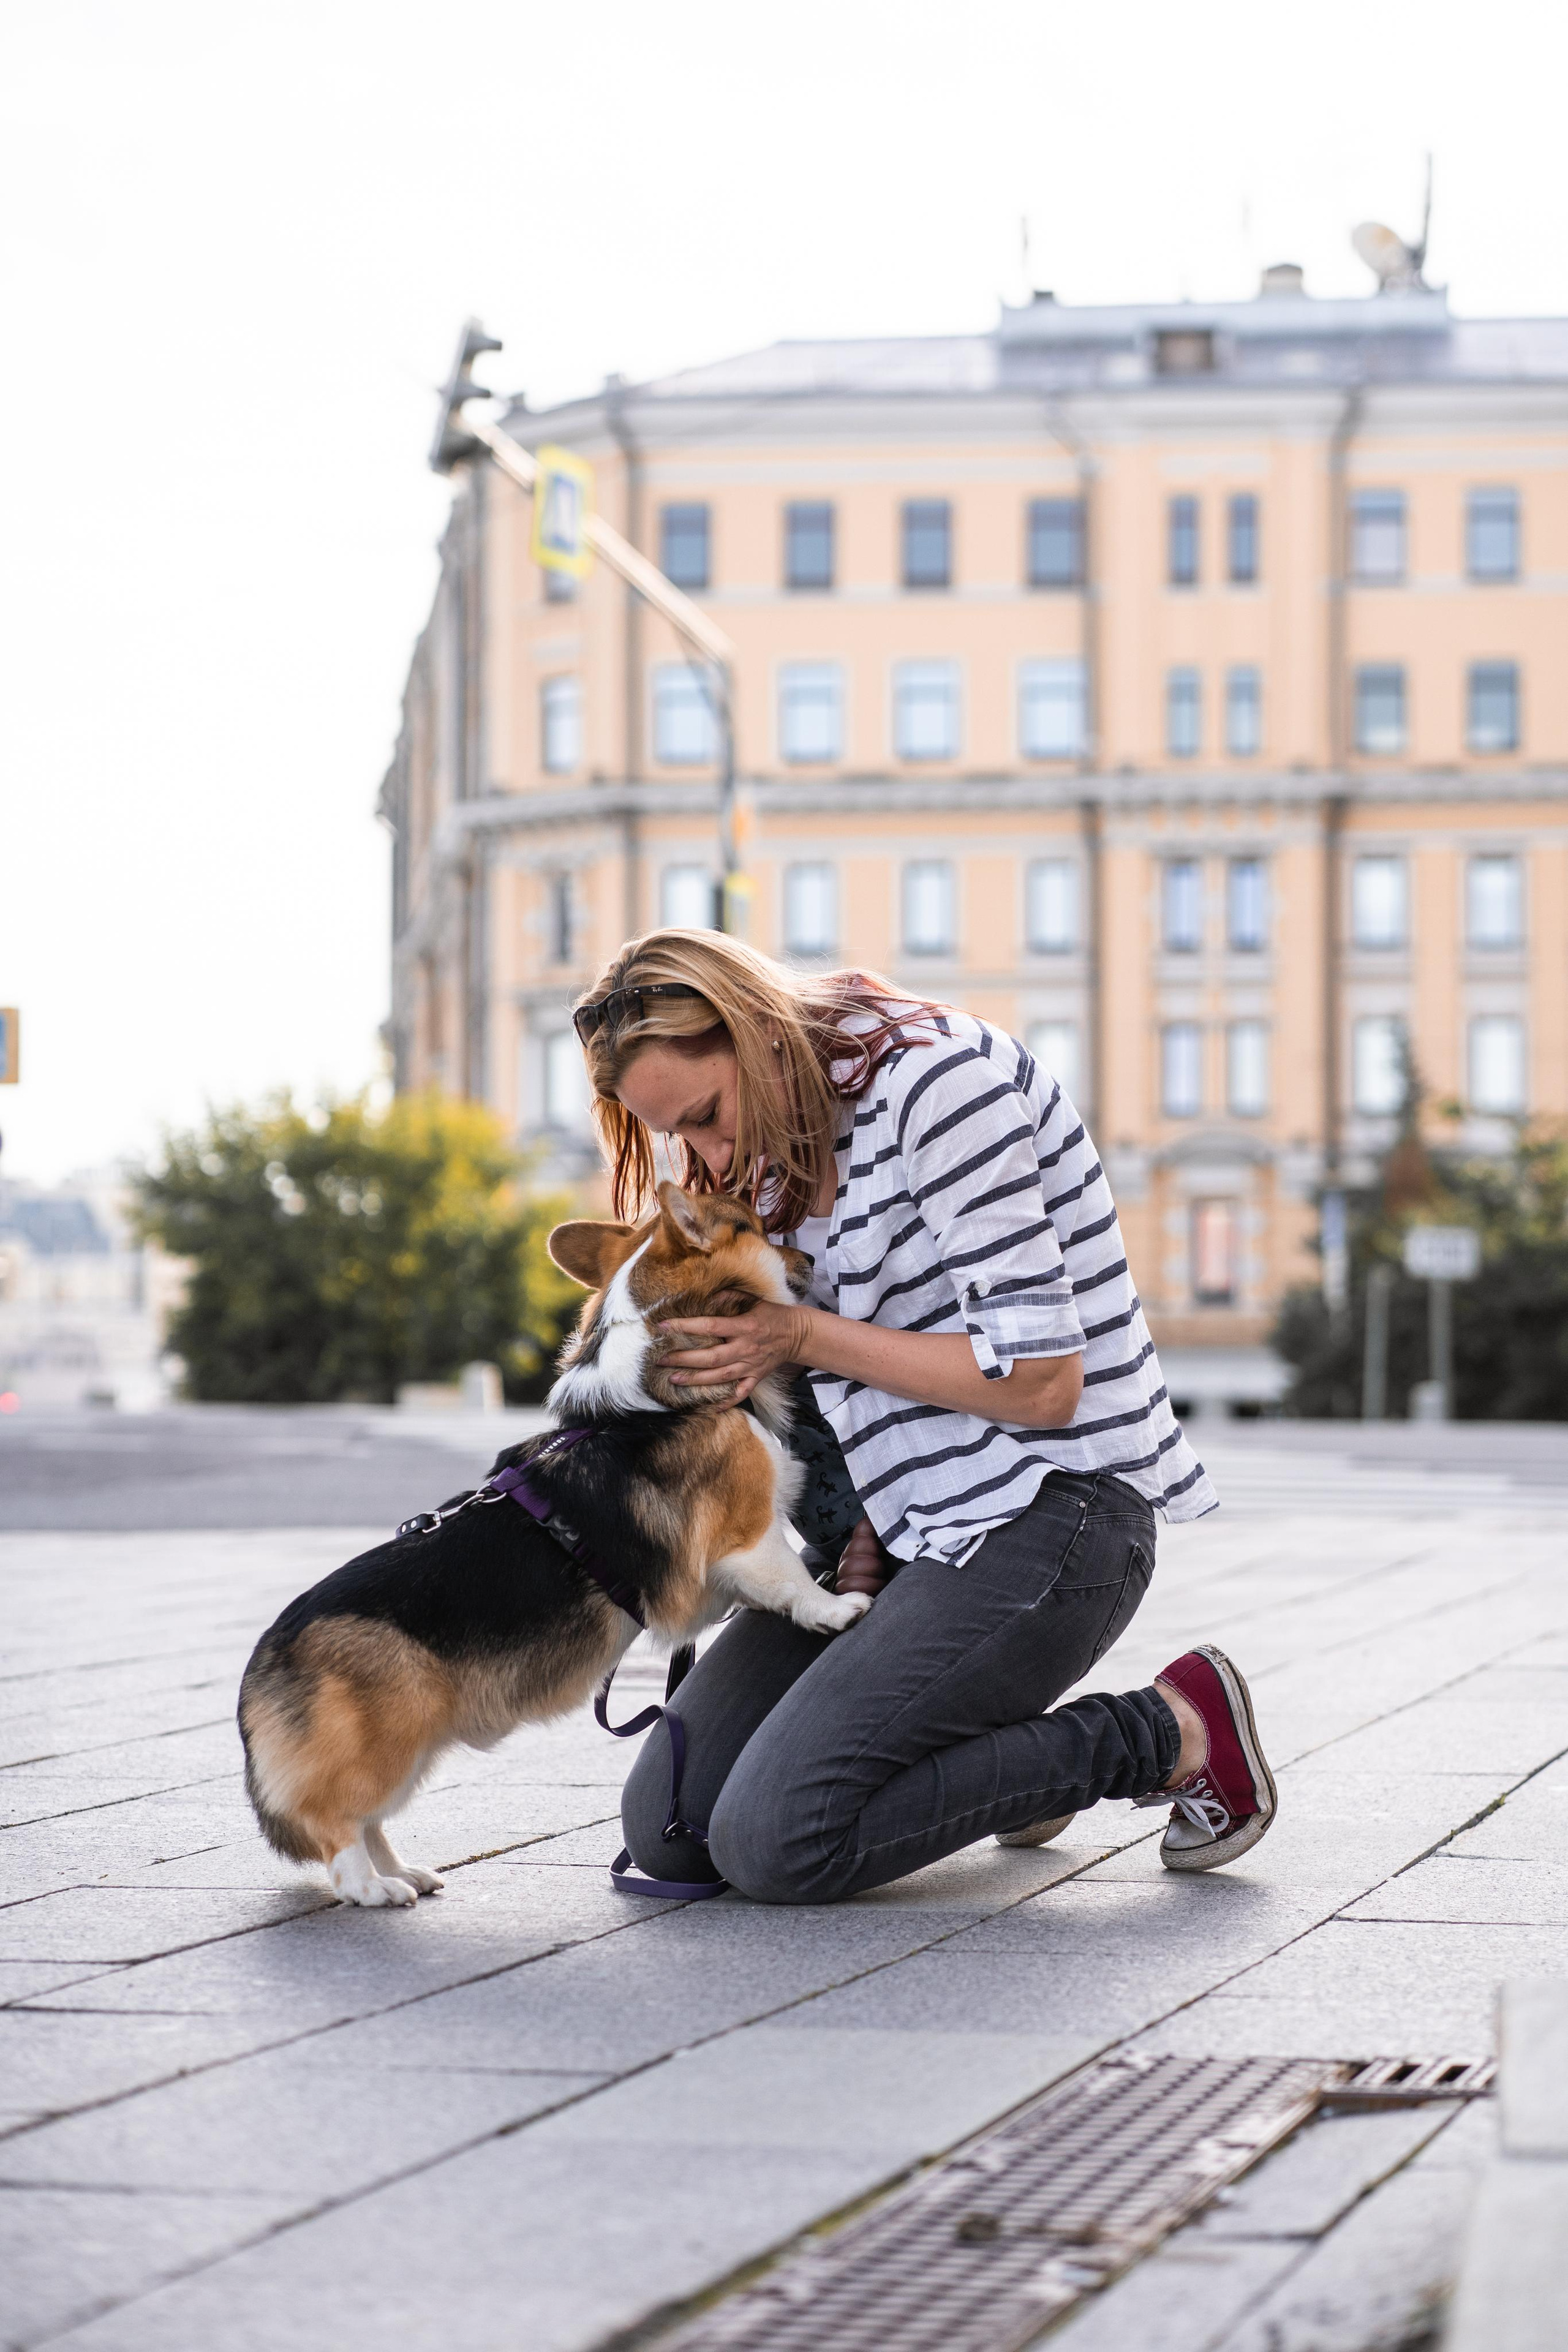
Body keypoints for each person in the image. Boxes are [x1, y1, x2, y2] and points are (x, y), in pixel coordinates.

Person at [569, 928, 1275, 1904]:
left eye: (707, 1116)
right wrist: (858, 1524)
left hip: (1056, 1515)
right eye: (679, 1136)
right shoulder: (774, 1152)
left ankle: (1171, 1732)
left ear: (756, 1034)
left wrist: (797, 1334)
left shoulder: (942, 1089)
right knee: (675, 1829)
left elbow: (1042, 1383)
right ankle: (980, 1757)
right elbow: (859, 1397)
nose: (707, 1155)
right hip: (912, 1533)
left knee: (781, 1843)